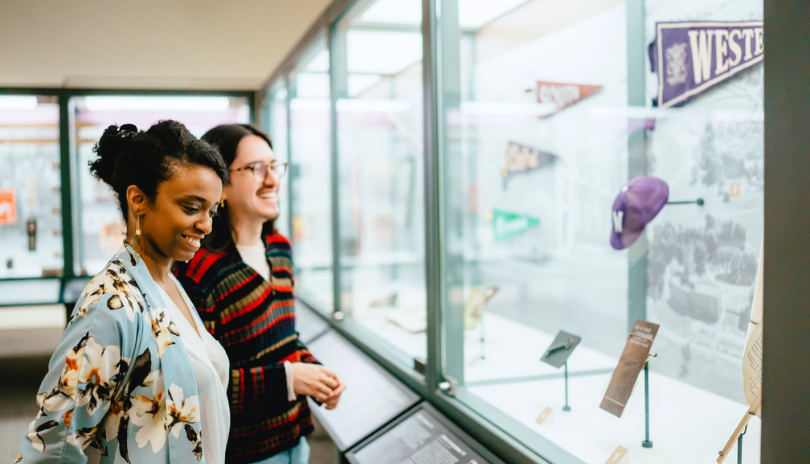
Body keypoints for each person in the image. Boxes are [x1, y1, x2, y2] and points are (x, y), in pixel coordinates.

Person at [16, 120, 231, 464]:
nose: (206, 225)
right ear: (138, 200)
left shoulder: (170, 284)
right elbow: (54, 444)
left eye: (212, 211)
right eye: (192, 208)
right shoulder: (110, 306)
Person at [175, 124, 344, 464]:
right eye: (255, 169)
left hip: (296, 438)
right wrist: (290, 378)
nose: (272, 179)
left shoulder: (279, 248)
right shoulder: (199, 268)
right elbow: (196, 383)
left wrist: (315, 372)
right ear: (220, 184)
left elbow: (285, 339)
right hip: (242, 453)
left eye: (274, 166)